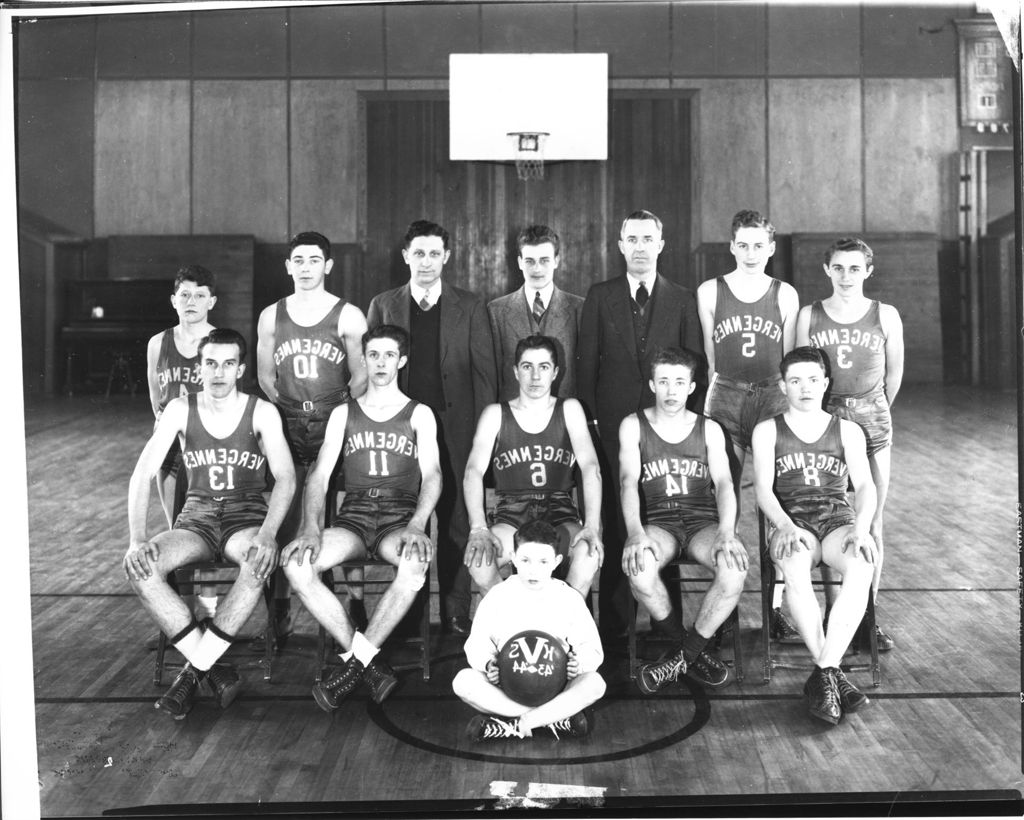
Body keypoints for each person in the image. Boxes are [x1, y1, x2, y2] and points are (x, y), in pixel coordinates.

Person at [123, 328, 296, 720]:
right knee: (140, 567)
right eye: (210, 363)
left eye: (228, 363)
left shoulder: (262, 411)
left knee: (257, 561)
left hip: (244, 516)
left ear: (241, 369)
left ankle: (190, 674)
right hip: (196, 518)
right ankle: (212, 666)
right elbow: (142, 474)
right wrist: (136, 538)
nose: (219, 372)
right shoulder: (180, 409)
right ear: (199, 367)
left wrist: (268, 533)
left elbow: (286, 477)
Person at [280, 325, 441, 711]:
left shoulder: (419, 414)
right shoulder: (342, 414)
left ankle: (353, 666)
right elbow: (318, 476)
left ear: (401, 360)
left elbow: (434, 476)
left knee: (415, 563)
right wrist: (310, 529)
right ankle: (367, 663)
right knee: (298, 567)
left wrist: (417, 523)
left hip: (398, 518)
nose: (381, 363)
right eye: (374, 355)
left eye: (389, 355)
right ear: (364, 359)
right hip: (354, 516)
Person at [367, 219, 497, 634]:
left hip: (455, 425)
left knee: (458, 516)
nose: (426, 261)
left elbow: (485, 374)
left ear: (447, 257)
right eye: (418, 253)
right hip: (402, 430)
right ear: (406, 256)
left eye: (434, 253)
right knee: (409, 516)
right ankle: (410, 613)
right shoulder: (384, 304)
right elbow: (374, 369)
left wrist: (483, 432)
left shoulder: (471, 304)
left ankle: (457, 610)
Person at [577, 209, 703, 635]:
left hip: (668, 430)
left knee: (664, 516)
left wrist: (687, 428)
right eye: (632, 239)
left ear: (661, 244)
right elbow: (586, 366)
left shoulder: (682, 299)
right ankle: (616, 630)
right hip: (613, 425)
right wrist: (592, 424)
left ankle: (669, 629)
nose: (640, 247)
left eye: (648, 239)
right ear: (620, 245)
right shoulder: (600, 295)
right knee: (616, 518)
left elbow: (694, 367)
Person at [751, 346, 877, 726]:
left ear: (825, 383)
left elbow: (866, 486)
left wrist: (861, 527)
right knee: (794, 569)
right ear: (782, 386)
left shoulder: (849, 430)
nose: (804, 388)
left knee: (862, 565)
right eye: (795, 380)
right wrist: (785, 525)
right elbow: (762, 491)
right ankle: (832, 674)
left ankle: (824, 670)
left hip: (837, 520)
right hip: (792, 522)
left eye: (811, 379)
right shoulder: (767, 429)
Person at [256, 231, 369, 642]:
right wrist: (291, 409)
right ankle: (281, 605)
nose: (306, 268)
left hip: (335, 421)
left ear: (328, 266)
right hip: (288, 423)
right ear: (288, 266)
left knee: (343, 512)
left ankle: (355, 600)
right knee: (287, 513)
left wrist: (333, 412)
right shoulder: (271, 316)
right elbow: (267, 377)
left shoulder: (349, 315)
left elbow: (360, 376)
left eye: (314, 260)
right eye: (298, 261)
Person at [696, 209, 800, 644]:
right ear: (732, 246)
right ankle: (726, 609)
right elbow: (711, 359)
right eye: (743, 244)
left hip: (774, 394)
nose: (752, 252)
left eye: (760, 245)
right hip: (727, 394)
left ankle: (775, 608)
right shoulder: (709, 291)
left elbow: (791, 359)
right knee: (725, 501)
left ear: (771, 249)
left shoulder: (785, 294)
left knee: (777, 502)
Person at [796, 237, 904, 652]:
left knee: (871, 520)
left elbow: (892, 377)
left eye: (854, 268)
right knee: (827, 518)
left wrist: (869, 414)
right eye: (838, 268)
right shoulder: (811, 314)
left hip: (872, 415)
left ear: (868, 271)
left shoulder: (886, 315)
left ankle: (866, 617)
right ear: (827, 270)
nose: (846, 276)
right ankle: (832, 609)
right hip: (825, 418)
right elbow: (799, 373)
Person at [619, 347, 748, 691]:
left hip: (702, 523)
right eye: (664, 382)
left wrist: (726, 531)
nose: (671, 390)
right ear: (652, 384)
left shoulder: (709, 429)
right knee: (639, 570)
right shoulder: (633, 425)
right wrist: (635, 533)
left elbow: (724, 484)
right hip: (659, 523)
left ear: (692, 387)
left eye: (679, 382)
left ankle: (681, 656)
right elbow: (628, 482)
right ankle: (690, 651)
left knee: (734, 569)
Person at [463, 335, 602, 599]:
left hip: (559, 511)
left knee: (587, 556)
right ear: (516, 371)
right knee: (480, 563)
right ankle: (514, 623)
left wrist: (592, 524)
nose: (535, 376)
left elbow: (591, 467)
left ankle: (560, 633)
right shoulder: (495, 413)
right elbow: (473, 472)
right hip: (511, 513)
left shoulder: (570, 409)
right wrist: (478, 527)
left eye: (544, 367)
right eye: (527, 366)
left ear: (556, 372)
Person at [452, 519, 605, 740]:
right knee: (463, 681)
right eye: (525, 560)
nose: (533, 570)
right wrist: (488, 664)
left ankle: (517, 725)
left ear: (556, 561)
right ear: (513, 558)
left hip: (556, 686)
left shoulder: (568, 597)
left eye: (543, 561)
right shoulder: (498, 595)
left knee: (595, 684)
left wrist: (578, 664)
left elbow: (591, 647)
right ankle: (551, 719)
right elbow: (477, 644)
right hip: (508, 687)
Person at [145, 265, 219, 623]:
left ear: (212, 301)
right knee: (178, 532)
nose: (191, 301)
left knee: (205, 533)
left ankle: (208, 615)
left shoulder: (220, 342)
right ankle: (182, 618)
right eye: (185, 294)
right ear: (174, 300)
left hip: (209, 452)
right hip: (172, 452)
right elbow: (156, 400)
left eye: (200, 294)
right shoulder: (157, 343)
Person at [487, 224, 584, 401]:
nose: (537, 269)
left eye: (544, 260)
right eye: (530, 261)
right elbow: (491, 375)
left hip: (563, 414)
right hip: (513, 415)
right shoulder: (496, 311)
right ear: (519, 262)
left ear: (556, 261)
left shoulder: (580, 308)